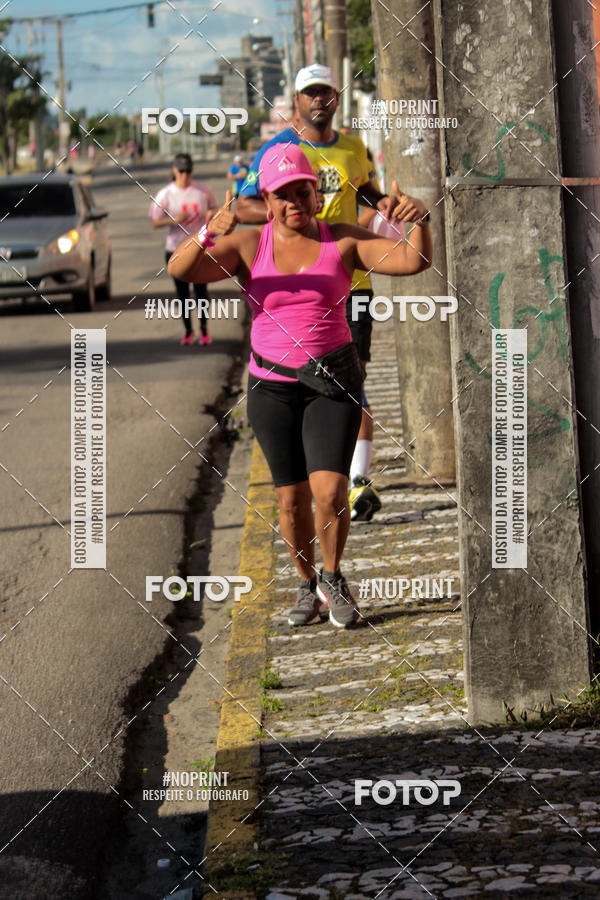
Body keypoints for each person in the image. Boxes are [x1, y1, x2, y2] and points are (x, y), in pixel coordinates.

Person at [168, 143, 432, 628]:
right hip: (271, 388)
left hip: (333, 379)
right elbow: (179, 270)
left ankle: (333, 577)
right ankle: (306, 584)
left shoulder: (343, 240)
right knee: (290, 501)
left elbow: (413, 261)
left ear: (316, 193)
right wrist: (209, 231)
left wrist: (422, 219)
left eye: (302, 191)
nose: (294, 202)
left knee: (330, 493)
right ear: (266, 202)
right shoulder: (250, 245)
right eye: (282, 195)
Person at [236, 64, 400, 522]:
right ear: (296, 101)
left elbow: (370, 191)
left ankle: (357, 477)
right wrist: (287, 223)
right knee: (312, 380)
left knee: (353, 378)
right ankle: (322, 466)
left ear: (335, 95)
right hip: (301, 283)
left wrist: (384, 203)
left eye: (325, 91)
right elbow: (245, 201)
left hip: (353, 281)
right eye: (309, 93)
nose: (318, 100)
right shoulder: (279, 150)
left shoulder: (352, 146)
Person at [149, 153, 218, 344]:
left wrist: (212, 214)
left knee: (201, 290)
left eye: (188, 171)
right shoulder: (165, 194)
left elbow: (215, 209)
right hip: (175, 249)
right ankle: (188, 331)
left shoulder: (203, 191)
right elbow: (154, 222)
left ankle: (204, 330)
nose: (185, 175)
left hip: (199, 248)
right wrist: (174, 220)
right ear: (174, 170)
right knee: (182, 293)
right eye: (181, 171)